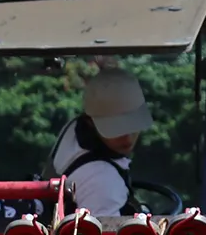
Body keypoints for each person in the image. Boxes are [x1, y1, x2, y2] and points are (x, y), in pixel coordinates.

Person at [46, 68, 153, 217]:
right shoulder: (104, 183)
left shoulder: (74, 131)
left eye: (132, 126)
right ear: (90, 122)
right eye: (116, 128)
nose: (128, 138)